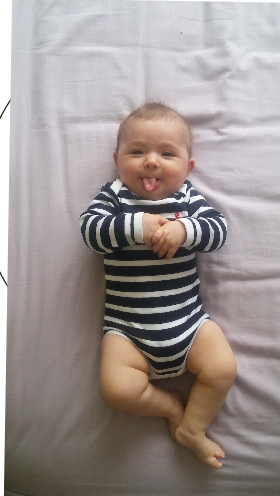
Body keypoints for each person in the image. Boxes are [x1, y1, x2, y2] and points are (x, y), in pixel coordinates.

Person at [79, 102, 237, 469]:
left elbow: (218, 230)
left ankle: (192, 428)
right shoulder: (115, 196)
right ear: (117, 160)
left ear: (188, 167)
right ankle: (169, 406)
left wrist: (185, 229)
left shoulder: (187, 198)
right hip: (128, 332)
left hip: (190, 325)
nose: (151, 162)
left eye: (167, 154)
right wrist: (137, 226)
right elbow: (89, 231)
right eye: (137, 152)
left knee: (223, 368)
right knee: (116, 389)